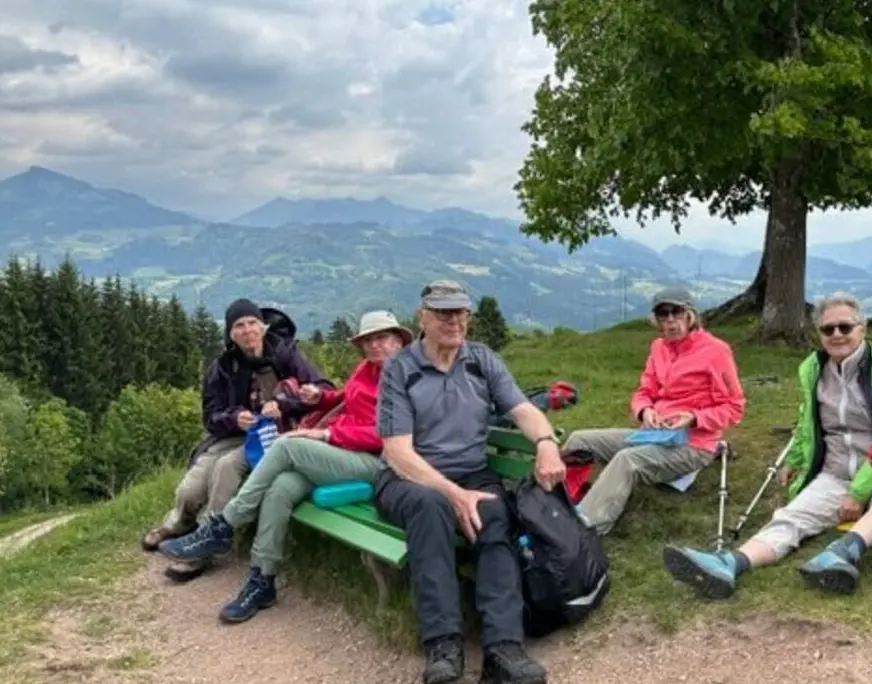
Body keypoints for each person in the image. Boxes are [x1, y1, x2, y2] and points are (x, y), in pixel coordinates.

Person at [157, 311, 415, 623]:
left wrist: (326, 433)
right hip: (342, 454)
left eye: (383, 338)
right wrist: (319, 396)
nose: (375, 346)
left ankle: (223, 525)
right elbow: (344, 400)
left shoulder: (409, 378)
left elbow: (390, 436)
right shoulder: (366, 370)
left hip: (379, 465)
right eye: (368, 340)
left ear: (400, 340)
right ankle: (262, 580)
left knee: (287, 444)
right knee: (280, 488)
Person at [663, 292, 872, 597]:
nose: (836, 335)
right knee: (790, 516)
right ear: (819, 334)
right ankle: (731, 564)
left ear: (862, 329)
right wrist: (796, 460)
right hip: (836, 472)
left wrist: (858, 492)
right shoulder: (814, 370)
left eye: (845, 327)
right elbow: (808, 421)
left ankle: (842, 554)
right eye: (828, 329)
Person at [373, 279, 563, 684]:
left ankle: (503, 648)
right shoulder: (400, 369)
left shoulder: (481, 360)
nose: (453, 320)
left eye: (460, 311)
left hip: (473, 473)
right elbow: (398, 452)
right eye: (442, 312)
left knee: (494, 515)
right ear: (422, 316)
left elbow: (523, 408)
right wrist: (453, 494)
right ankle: (443, 645)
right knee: (432, 509)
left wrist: (546, 442)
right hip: (409, 477)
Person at [141, 299, 331, 581]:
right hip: (232, 436)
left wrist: (283, 402)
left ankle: (203, 547)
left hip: (275, 435)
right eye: (239, 325)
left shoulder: (285, 353)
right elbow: (210, 416)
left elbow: (324, 389)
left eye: (253, 323)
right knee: (189, 491)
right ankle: (179, 524)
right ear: (230, 334)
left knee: (227, 468)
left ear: (263, 327)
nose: (247, 330)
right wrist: (234, 417)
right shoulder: (222, 368)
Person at [560, 287, 745, 536]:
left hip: (694, 444)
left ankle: (586, 528)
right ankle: (560, 503)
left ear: (690, 315)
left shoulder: (717, 351)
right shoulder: (658, 347)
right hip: (651, 433)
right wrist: (644, 411)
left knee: (627, 461)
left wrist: (693, 418)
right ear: (656, 320)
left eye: (677, 312)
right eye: (663, 314)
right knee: (577, 441)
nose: (670, 320)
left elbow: (734, 407)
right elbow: (644, 391)